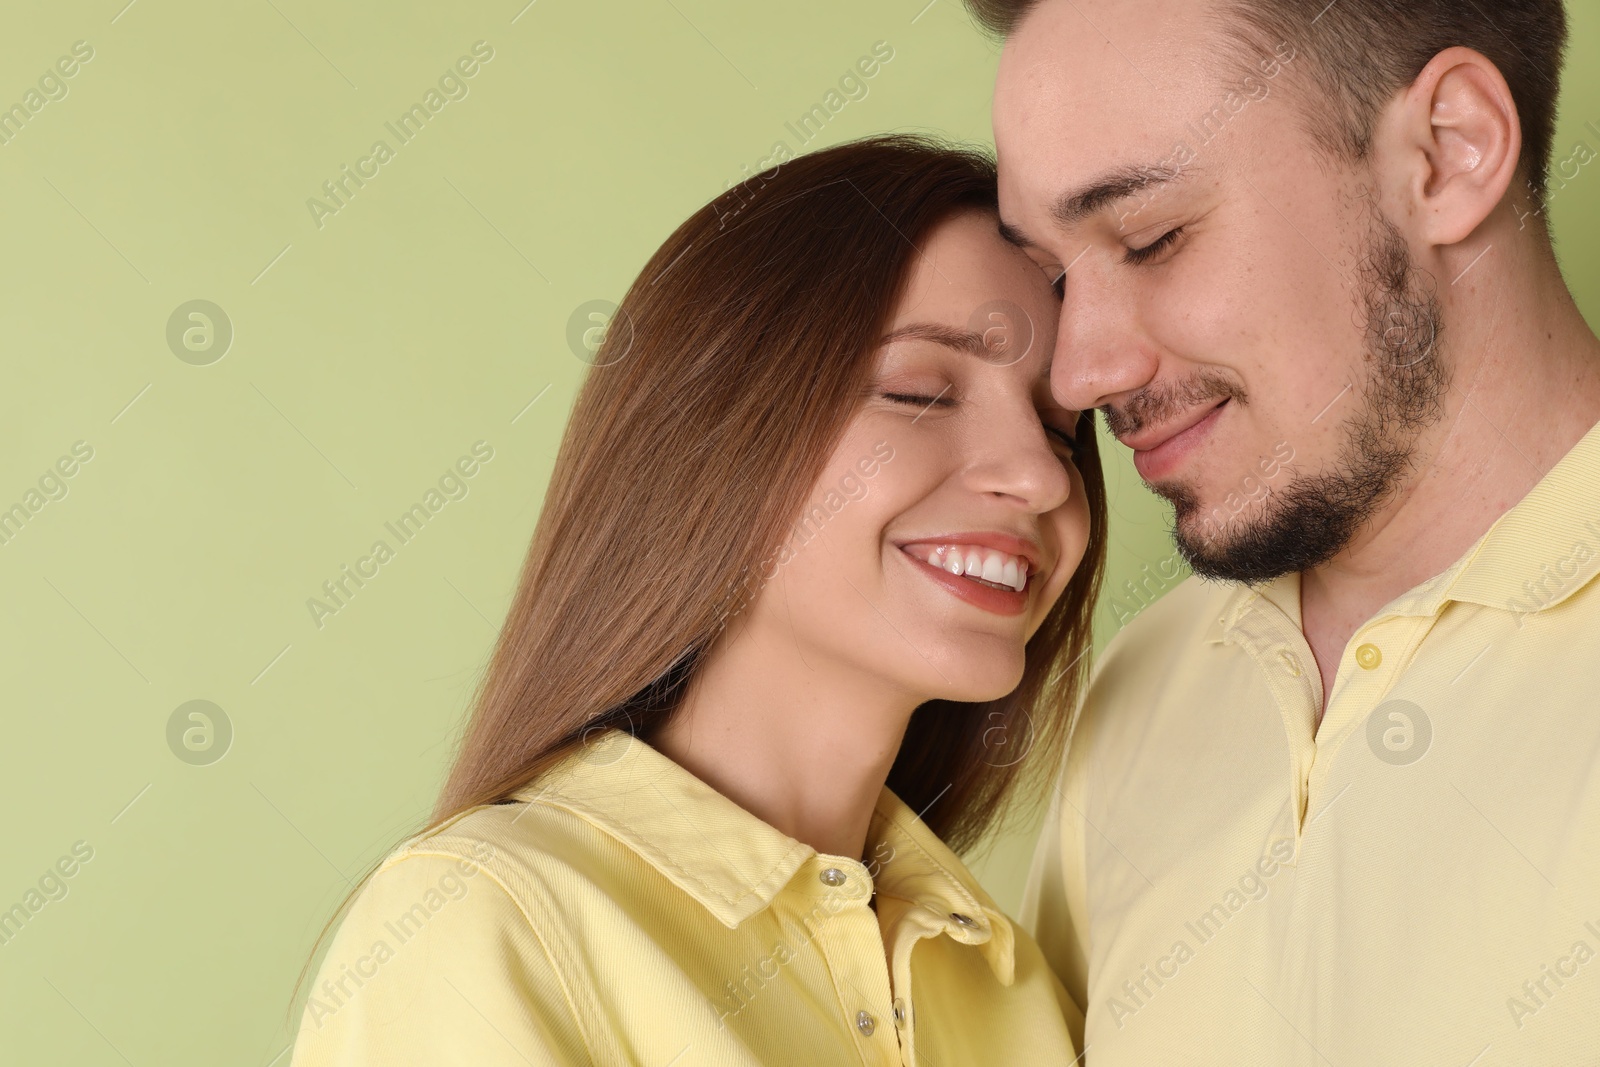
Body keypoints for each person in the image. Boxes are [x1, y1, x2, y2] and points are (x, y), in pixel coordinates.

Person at [285, 134, 1108, 1066]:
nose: (1041, 474)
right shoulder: (488, 921)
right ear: (718, 435)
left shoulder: (1012, 985)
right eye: (921, 391)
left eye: (1061, 425)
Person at [966, 0, 1600, 1062]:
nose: (1078, 372)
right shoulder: (1142, 687)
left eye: (1150, 237)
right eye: (1058, 277)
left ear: (1449, 154)